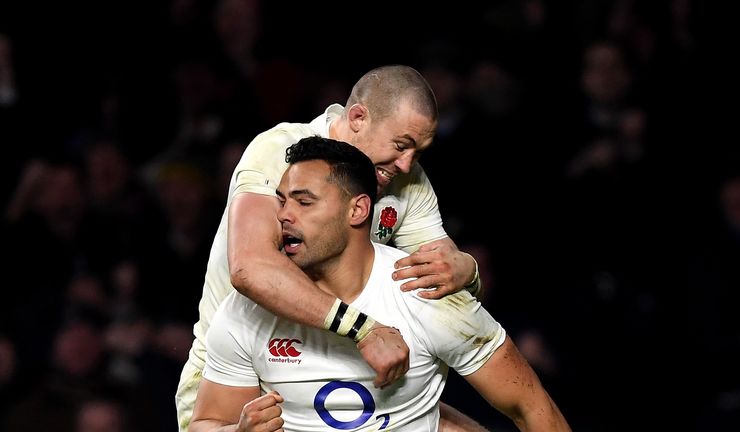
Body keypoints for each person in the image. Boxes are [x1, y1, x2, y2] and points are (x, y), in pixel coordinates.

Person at [176, 65, 484, 430]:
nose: (406, 164)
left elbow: (441, 273)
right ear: (357, 117)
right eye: (400, 145)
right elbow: (251, 268)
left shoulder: (408, 182)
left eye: (418, 152)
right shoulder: (281, 150)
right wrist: (364, 329)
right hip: (237, 381)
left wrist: (468, 270)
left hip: (343, 374)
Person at [190, 136, 571, 431]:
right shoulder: (247, 309)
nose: (284, 215)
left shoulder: (422, 293)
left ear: (358, 210)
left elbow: (531, 406)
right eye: (282, 201)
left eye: (304, 203)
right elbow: (206, 423)